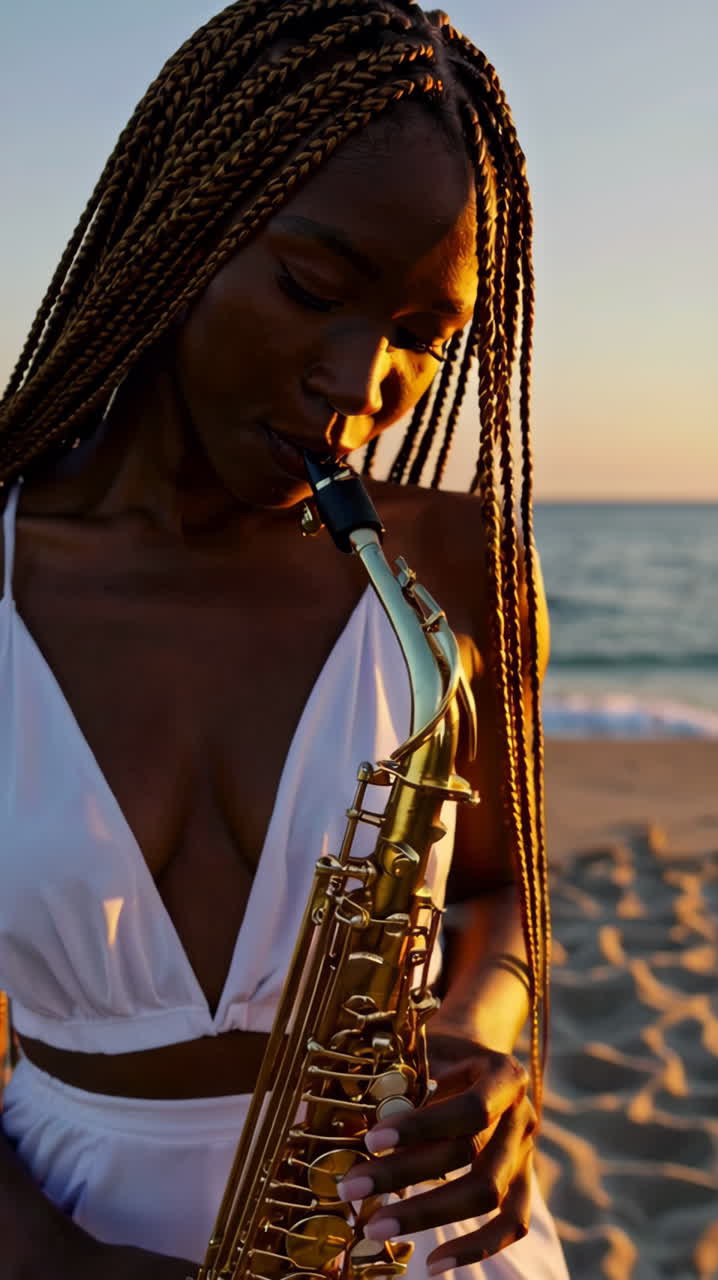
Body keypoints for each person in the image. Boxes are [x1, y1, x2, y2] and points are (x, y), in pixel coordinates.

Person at [0, 2, 568, 1277]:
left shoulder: (459, 563)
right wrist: (44, 1253)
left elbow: (497, 888)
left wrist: (486, 1041)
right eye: (314, 288)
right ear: (178, 235)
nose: (363, 382)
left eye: (427, 337)